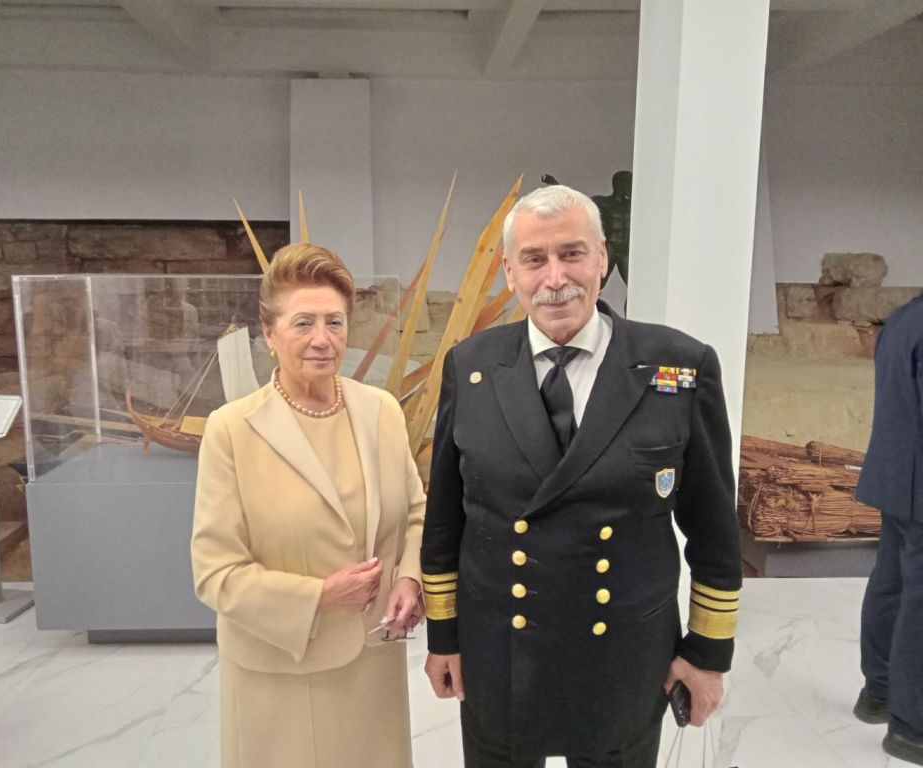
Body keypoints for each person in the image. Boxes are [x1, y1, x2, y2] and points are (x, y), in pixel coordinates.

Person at [420, 185, 743, 767]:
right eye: (534, 259)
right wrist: (444, 637)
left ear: (601, 259)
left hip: (624, 655)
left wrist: (707, 653)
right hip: (501, 651)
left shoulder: (679, 366)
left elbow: (714, 528)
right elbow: (445, 520)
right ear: (510, 272)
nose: (555, 278)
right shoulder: (471, 367)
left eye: (572, 254)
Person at [191, 243, 426, 768]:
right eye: (303, 323)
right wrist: (319, 596)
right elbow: (214, 574)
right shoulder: (232, 430)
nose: (322, 339)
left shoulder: (382, 412)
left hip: (372, 669)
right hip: (280, 674)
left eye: (334, 322)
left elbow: (416, 512)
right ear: (269, 334)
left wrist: (410, 578)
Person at [853, 294, 923, 766]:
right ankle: (912, 727)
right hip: (917, 480)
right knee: (917, 601)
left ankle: (878, 692)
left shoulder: (904, 317)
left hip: (895, 474)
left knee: (891, 583)